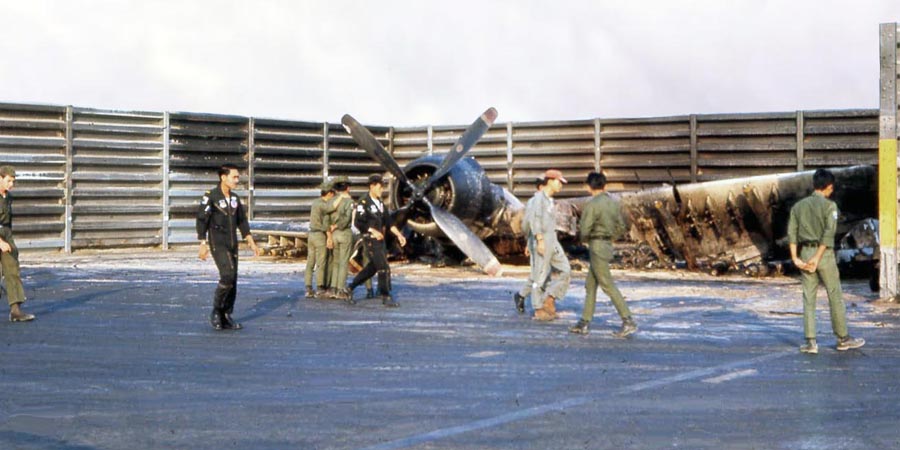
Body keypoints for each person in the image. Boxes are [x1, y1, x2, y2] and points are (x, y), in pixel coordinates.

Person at [788, 168, 865, 354]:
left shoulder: (798, 207)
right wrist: (818, 257)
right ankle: (842, 338)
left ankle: (811, 342)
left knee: (808, 298)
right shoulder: (830, 207)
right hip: (825, 255)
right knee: (834, 295)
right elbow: (828, 234)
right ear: (829, 187)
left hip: (805, 253)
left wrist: (795, 258)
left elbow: (792, 233)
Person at [569, 172, 637, 337]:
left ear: (588, 186)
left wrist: (583, 240)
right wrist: (610, 238)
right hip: (606, 245)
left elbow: (585, 228)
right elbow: (621, 226)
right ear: (604, 185)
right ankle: (584, 322)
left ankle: (628, 320)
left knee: (607, 284)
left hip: (596, 245)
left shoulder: (592, 205)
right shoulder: (613, 203)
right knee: (590, 285)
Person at [197, 164, 260, 331]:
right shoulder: (210, 196)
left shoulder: (234, 199)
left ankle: (227, 314)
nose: (237, 180)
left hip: (233, 243)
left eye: (238, 177)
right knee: (227, 275)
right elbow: (202, 219)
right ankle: (217, 310)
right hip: (218, 242)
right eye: (234, 177)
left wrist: (251, 241)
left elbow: (242, 221)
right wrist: (202, 243)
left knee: (234, 279)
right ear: (223, 177)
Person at [342, 174, 406, 306]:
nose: (381, 190)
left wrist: (399, 235)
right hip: (370, 239)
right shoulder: (364, 202)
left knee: (372, 268)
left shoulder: (381, 204)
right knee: (383, 267)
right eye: (379, 187)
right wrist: (372, 230)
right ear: (372, 186)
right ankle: (385, 296)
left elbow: (389, 222)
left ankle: (349, 288)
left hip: (380, 241)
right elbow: (358, 222)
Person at [530, 169, 571, 321]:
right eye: (559, 182)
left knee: (565, 270)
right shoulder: (538, 200)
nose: (561, 185)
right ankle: (538, 308)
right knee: (540, 275)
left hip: (552, 240)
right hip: (543, 240)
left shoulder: (549, 200)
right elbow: (535, 221)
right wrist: (539, 240)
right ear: (550, 181)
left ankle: (550, 298)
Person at [0, 166, 35, 322]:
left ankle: (15, 311)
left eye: (13, 181)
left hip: (6, 234)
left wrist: (8, 239)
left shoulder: (8, 197)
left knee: (12, 269)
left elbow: (9, 220)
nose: (11, 184)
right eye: (8, 181)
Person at [513, 176, 547, 314]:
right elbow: (531, 223)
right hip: (539, 241)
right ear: (541, 187)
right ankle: (536, 303)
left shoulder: (543, 202)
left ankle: (522, 296)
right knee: (539, 274)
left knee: (538, 273)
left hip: (541, 241)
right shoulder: (537, 202)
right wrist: (535, 242)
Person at [305, 180, 334, 298]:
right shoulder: (324, 205)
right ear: (329, 193)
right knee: (321, 262)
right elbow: (326, 223)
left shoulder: (315, 202)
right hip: (320, 236)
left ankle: (308, 287)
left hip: (311, 234)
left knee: (310, 262)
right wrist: (329, 237)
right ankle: (320, 287)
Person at [327, 176, 353, 298]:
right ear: (347, 188)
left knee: (336, 261)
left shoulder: (333, 201)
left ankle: (333, 287)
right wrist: (338, 225)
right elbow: (347, 219)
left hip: (334, 234)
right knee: (343, 262)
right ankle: (341, 289)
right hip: (344, 232)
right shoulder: (349, 201)